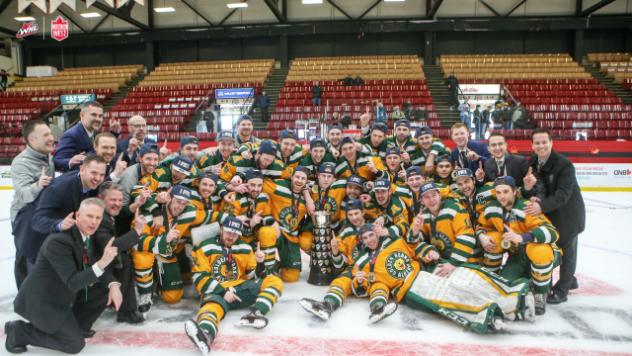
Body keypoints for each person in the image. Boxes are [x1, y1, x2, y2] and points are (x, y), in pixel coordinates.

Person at [5, 199, 121, 354]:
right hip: (44, 301)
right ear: (78, 215)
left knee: (104, 289)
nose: (94, 222)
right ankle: (19, 331)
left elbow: (91, 264)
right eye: (90, 216)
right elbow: (74, 282)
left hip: (64, 296)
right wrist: (103, 262)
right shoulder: (59, 241)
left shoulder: (86, 234)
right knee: (74, 345)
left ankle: (77, 325)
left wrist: (113, 284)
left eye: (98, 218)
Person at [184, 216, 283, 354]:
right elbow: (199, 276)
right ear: (222, 229)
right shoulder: (203, 246)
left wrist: (260, 263)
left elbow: (252, 277)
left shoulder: (245, 248)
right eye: (229, 232)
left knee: (275, 281)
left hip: (240, 290)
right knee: (211, 308)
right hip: (217, 292)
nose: (231, 236)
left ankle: (255, 314)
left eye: (235, 233)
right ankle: (206, 334)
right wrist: (223, 292)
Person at [477, 176, 559, 315]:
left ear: (514, 191)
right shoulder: (492, 208)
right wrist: (482, 236)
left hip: (542, 252)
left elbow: (552, 232)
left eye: (506, 191)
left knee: (539, 251)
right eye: (498, 192)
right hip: (517, 256)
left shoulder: (526, 207)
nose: (502, 196)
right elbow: (482, 226)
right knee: (504, 285)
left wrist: (522, 237)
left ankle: (541, 293)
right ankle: (495, 280)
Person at [526, 128, 585, 305]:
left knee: (568, 253)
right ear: (532, 145)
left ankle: (562, 290)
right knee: (550, 250)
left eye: (544, 142)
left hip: (569, 216)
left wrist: (541, 206)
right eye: (537, 143)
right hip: (550, 214)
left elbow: (563, 194)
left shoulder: (564, 165)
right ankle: (568, 281)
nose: (541, 145)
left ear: (551, 143)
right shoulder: (533, 161)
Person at [25, 155, 107, 269]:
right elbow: (37, 221)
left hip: (61, 248)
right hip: (39, 247)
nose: (98, 178)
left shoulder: (92, 185)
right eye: (94, 173)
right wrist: (60, 224)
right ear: (82, 169)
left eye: (102, 174)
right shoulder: (59, 188)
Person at [10, 120, 55, 288]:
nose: (51, 138)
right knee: (24, 258)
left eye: (50, 133)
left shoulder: (47, 156)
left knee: (40, 257)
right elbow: (24, 195)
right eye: (46, 135)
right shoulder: (20, 162)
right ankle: (24, 302)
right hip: (24, 217)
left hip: (41, 214)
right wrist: (38, 185)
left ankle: (41, 295)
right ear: (32, 139)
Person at [95, 182, 146, 324]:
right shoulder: (99, 218)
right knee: (123, 260)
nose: (117, 203)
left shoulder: (105, 212)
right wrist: (137, 231)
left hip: (99, 259)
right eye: (113, 200)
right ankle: (127, 311)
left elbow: (122, 213)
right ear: (101, 199)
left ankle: (124, 307)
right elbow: (112, 247)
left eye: (119, 200)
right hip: (91, 265)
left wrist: (136, 204)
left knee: (124, 259)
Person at [53, 101, 104, 172]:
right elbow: (56, 162)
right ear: (82, 115)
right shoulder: (71, 135)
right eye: (94, 115)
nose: (98, 119)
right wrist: (70, 161)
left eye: (100, 116)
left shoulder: (96, 133)